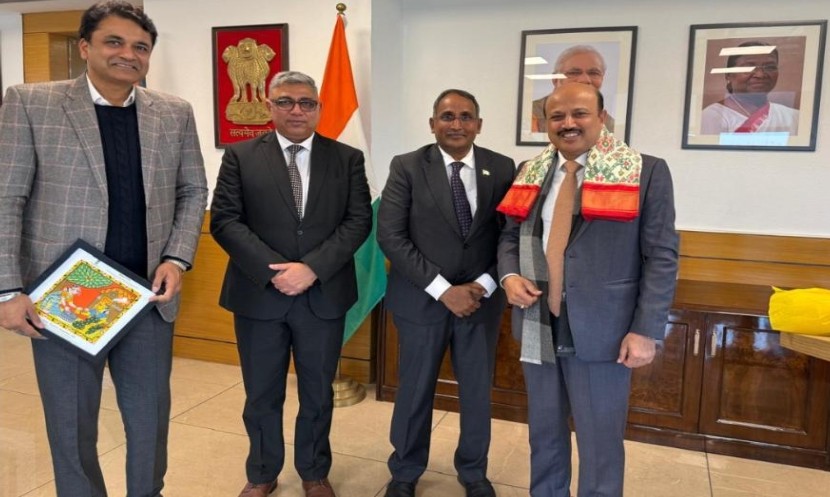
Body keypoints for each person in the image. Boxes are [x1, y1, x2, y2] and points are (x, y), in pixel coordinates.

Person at [0, 1, 208, 495]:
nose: (128, 54)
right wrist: (7, 290)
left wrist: (177, 258)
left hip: (146, 295)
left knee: (150, 420)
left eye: (140, 46)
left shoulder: (174, 112)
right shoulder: (31, 103)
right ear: (84, 47)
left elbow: (193, 190)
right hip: (66, 298)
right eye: (114, 42)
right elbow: (7, 197)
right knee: (71, 425)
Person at [497, 83, 678, 497]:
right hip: (539, 321)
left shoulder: (645, 171)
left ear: (602, 117)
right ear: (546, 123)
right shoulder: (530, 171)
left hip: (605, 330)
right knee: (544, 433)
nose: (568, 123)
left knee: (599, 444)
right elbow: (508, 236)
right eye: (557, 116)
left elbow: (661, 256)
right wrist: (509, 277)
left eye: (579, 113)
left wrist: (645, 330)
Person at [210, 70, 371, 497]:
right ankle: (262, 472)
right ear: (269, 106)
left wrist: (312, 268)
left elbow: (358, 221)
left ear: (319, 108)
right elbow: (225, 221)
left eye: (306, 103)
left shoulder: (347, 158)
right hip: (258, 296)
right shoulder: (241, 156)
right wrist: (274, 272)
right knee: (261, 393)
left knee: (318, 393)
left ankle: (314, 472)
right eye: (285, 101)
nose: (296, 110)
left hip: (323, 295)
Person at [378, 89, 516, 497]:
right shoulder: (406, 166)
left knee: (476, 392)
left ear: (479, 124)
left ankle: (473, 472)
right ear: (432, 123)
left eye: (466, 116)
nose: (457, 124)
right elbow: (391, 236)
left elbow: (510, 235)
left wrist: (485, 285)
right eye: (447, 116)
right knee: (415, 389)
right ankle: (405, 472)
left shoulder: (501, 167)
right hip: (421, 300)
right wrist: (443, 290)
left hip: (480, 302)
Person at [700, 41, 799, 135]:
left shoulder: (794, 116)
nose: (760, 75)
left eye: (770, 67)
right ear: (729, 75)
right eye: (748, 67)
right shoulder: (712, 116)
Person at [531, 45, 616, 133]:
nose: (584, 80)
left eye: (593, 73)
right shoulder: (530, 114)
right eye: (574, 73)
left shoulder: (610, 126)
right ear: (555, 80)